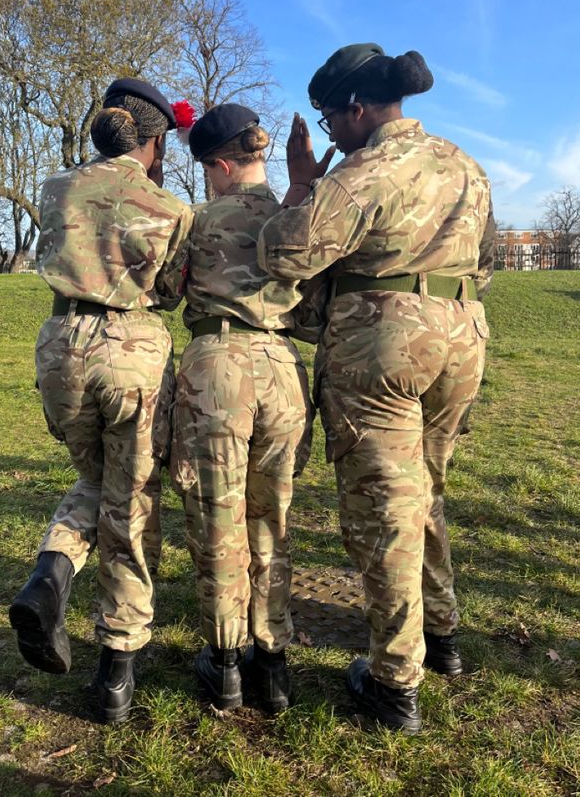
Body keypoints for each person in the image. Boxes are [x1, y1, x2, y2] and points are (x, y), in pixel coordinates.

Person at [257, 44, 495, 733]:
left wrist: (303, 183)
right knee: (424, 488)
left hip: (383, 343)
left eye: (329, 117)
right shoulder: (463, 163)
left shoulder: (364, 173)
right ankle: (440, 633)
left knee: (383, 506)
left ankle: (394, 680)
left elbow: (283, 251)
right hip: (461, 335)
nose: (328, 131)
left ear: (357, 109)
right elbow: (484, 259)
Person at [9, 78, 193, 724]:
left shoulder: (55, 189)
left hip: (59, 344)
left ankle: (50, 575)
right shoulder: (168, 206)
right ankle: (117, 666)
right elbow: (170, 291)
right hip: (131, 350)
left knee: (94, 477)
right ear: (153, 140)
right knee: (132, 498)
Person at [171, 103, 313, 712]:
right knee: (271, 516)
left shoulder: (199, 220)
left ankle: (226, 663)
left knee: (217, 517)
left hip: (217, 368)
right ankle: (273, 661)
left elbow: (163, 287)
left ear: (222, 165)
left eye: (207, 170)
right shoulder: (297, 216)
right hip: (282, 369)